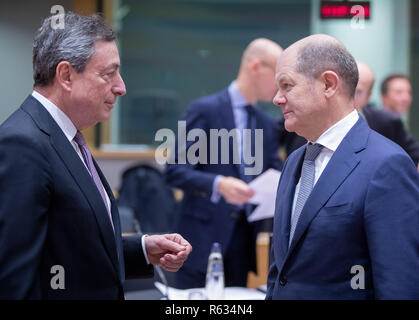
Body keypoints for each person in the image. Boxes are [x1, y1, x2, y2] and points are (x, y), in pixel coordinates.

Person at [0, 12, 191, 300]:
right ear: (66, 75)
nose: (121, 87)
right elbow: (14, 281)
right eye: (108, 73)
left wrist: (141, 249)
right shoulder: (22, 143)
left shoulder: (68, 137)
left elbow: (72, 252)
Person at [267, 34, 419, 299]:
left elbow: (399, 284)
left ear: (328, 84)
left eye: (287, 85)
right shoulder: (294, 161)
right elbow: (280, 273)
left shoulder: (386, 165)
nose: (277, 99)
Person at [165, 38, 283, 289]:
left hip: (243, 241)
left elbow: (274, 174)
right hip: (200, 238)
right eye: (277, 73)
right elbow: (174, 171)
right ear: (256, 67)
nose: (280, 83)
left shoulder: (266, 123)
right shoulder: (205, 110)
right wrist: (218, 184)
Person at [278, 61, 419, 167]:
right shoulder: (310, 121)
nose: (349, 96)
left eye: (358, 92)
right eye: (347, 89)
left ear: (369, 96)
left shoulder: (387, 122)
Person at [355, 62, 419, 166]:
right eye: (399, 92)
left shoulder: (390, 122)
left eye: (409, 93)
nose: (406, 98)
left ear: (368, 96)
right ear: (383, 96)